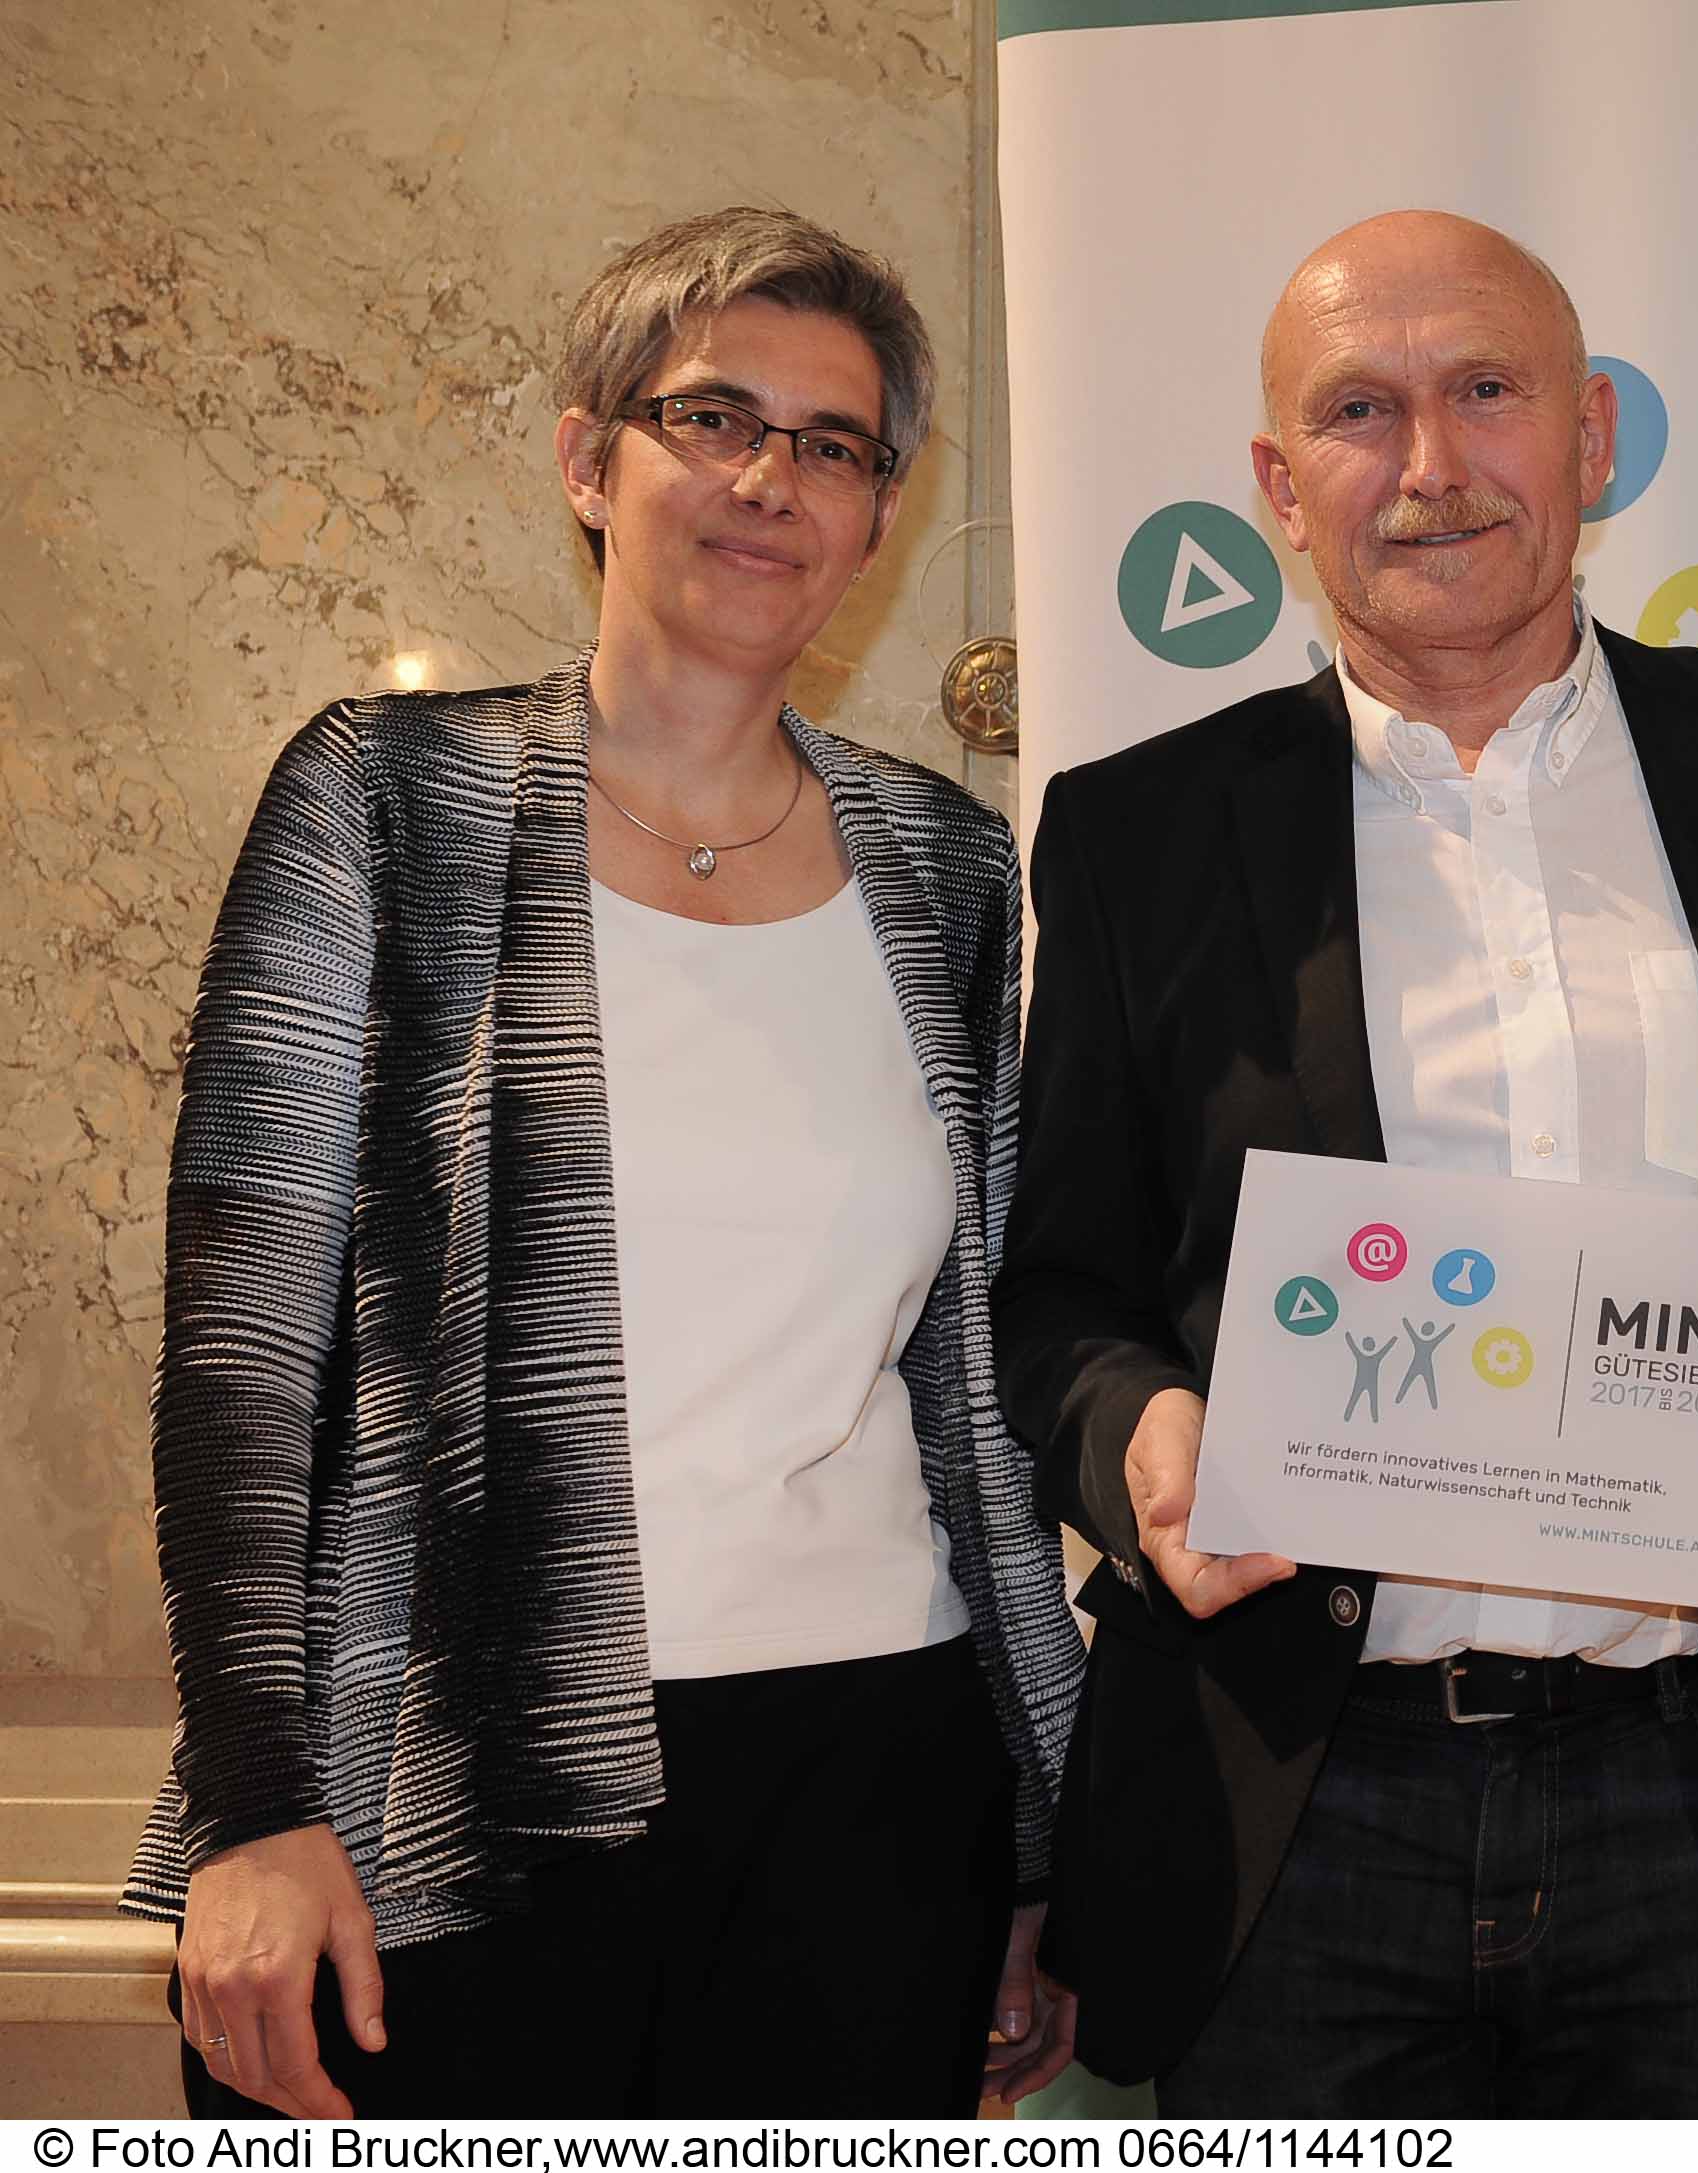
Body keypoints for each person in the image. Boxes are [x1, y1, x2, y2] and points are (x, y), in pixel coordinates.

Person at [997, 210, 1698, 2115]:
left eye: (1487, 390)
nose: (1431, 464)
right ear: (1278, 486)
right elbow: (1060, 1286)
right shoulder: (1141, 835)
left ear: (1593, 437)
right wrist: (1139, 1437)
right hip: (1288, 1802)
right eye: (1359, 412)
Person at [121, 206, 1085, 2119]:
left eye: (833, 444)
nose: (769, 479)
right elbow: (241, 1355)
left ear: (878, 516)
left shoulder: (949, 865)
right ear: (589, 458)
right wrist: (250, 1802)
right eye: (711, 417)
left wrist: (1037, 1834)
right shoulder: (384, 799)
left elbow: (969, 1394)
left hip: (879, 1784)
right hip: (450, 1772)